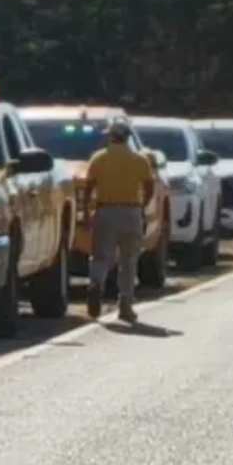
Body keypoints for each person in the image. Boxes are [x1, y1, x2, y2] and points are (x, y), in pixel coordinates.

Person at [84, 120, 155, 323]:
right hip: (131, 211)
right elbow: (149, 186)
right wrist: (142, 205)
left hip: (105, 211)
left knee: (101, 256)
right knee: (129, 260)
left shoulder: (98, 159)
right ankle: (125, 304)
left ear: (110, 137)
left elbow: (89, 187)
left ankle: (96, 283)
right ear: (128, 137)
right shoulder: (140, 160)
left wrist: (88, 211)